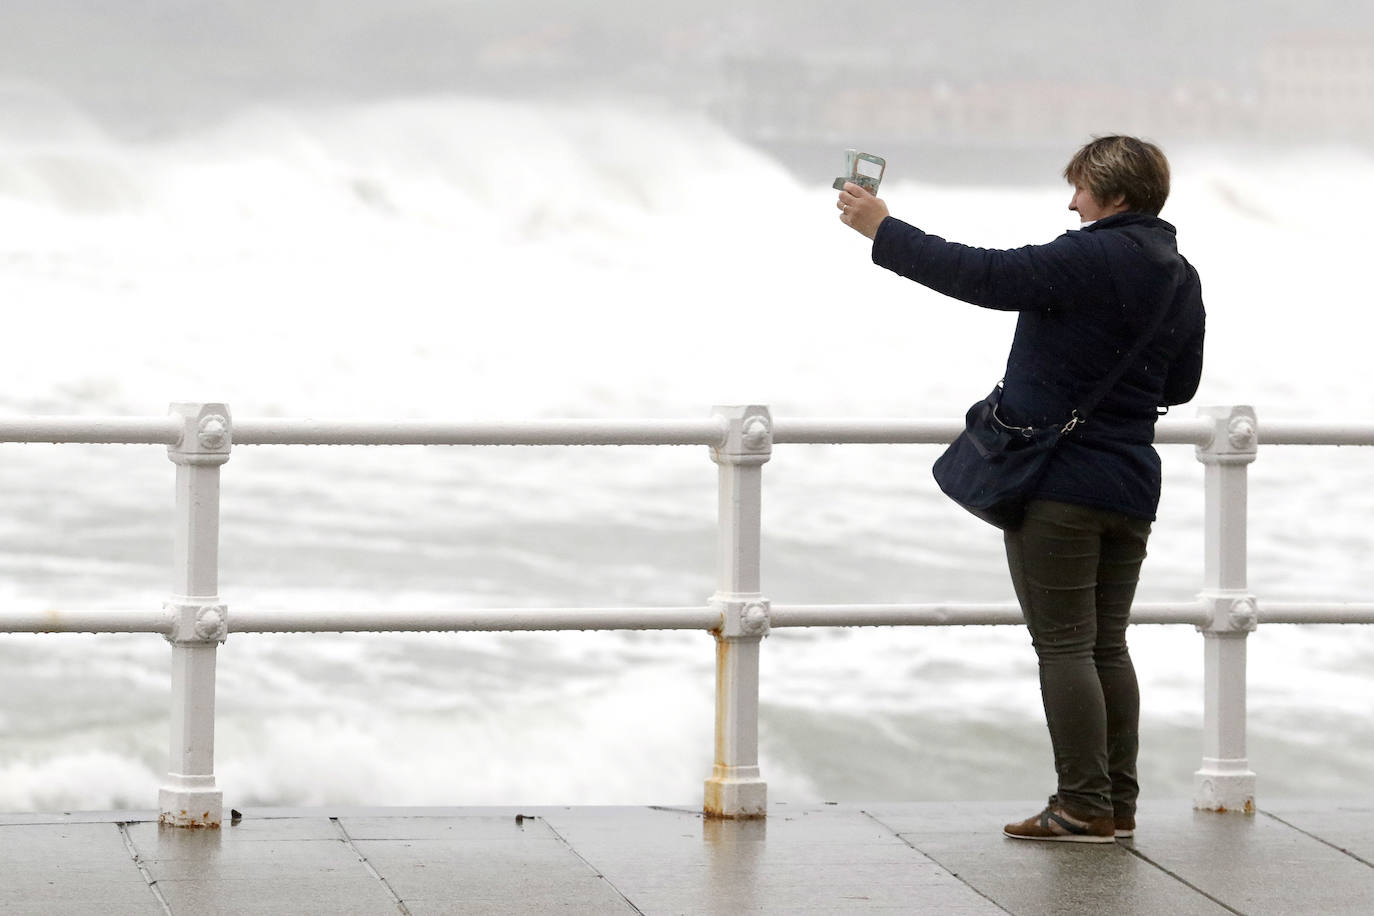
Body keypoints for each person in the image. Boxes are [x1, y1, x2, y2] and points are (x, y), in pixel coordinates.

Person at [836, 136, 1205, 843]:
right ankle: (1116, 804)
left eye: (1081, 190)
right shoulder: (1180, 275)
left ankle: (1081, 805)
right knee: (1106, 646)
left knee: (1064, 645)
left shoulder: (1088, 254)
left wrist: (882, 228)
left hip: (1059, 480)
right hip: (1130, 481)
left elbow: (986, 276)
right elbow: (1181, 384)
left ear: (1114, 195)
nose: (1072, 203)